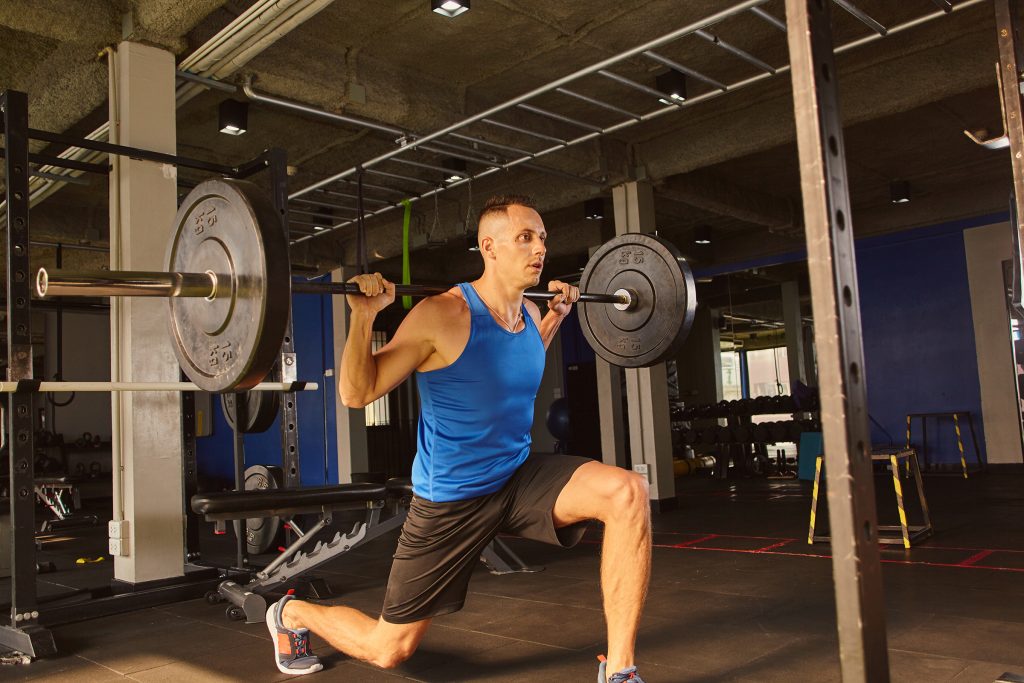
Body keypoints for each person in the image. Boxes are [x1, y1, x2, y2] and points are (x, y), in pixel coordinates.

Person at [266, 195, 652, 683]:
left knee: (627, 492)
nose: (540, 250)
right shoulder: (441, 314)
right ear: (488, 247)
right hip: (451, 501)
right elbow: (355, 393)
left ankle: (620, 672)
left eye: (543, 239)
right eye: (525, 238)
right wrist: (363, 317)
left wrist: (555, 316)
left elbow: (511, 361)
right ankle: (290, 615)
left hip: (516, 477)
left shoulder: (532, 316)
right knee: (388, 650)